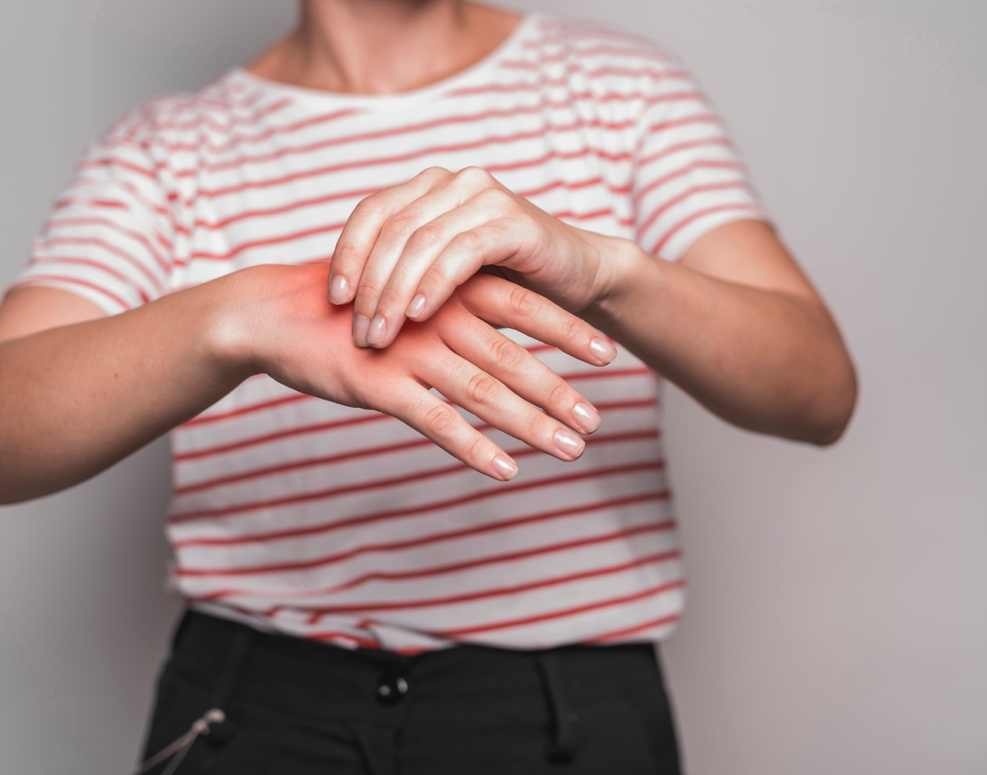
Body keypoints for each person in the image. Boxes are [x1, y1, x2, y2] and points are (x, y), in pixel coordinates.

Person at [0, 1, 857, 772]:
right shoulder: (165, 150)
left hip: (563, 714)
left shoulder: (618, 90)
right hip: (253, 712)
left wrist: (604, 271)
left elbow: (819, 393)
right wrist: (231, 319)